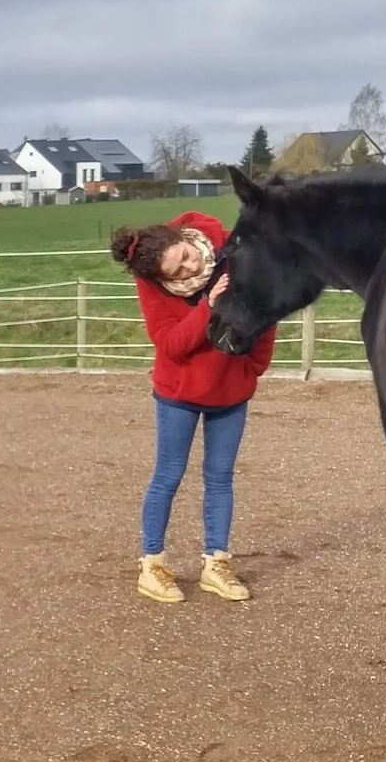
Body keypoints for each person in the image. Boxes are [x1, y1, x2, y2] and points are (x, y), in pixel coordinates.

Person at [110, 213, 276, 604]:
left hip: (231, 389)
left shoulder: (234, 251)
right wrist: (208, 306)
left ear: (185, 238)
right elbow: (169, 343)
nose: (190, 266)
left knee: (220, 478)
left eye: (185, 255)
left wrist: (254, 368)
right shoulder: (150, 282)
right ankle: (152, 565)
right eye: (178, 269)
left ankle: (216, 563)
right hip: (178, 393)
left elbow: (265, 313)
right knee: (167, 475)